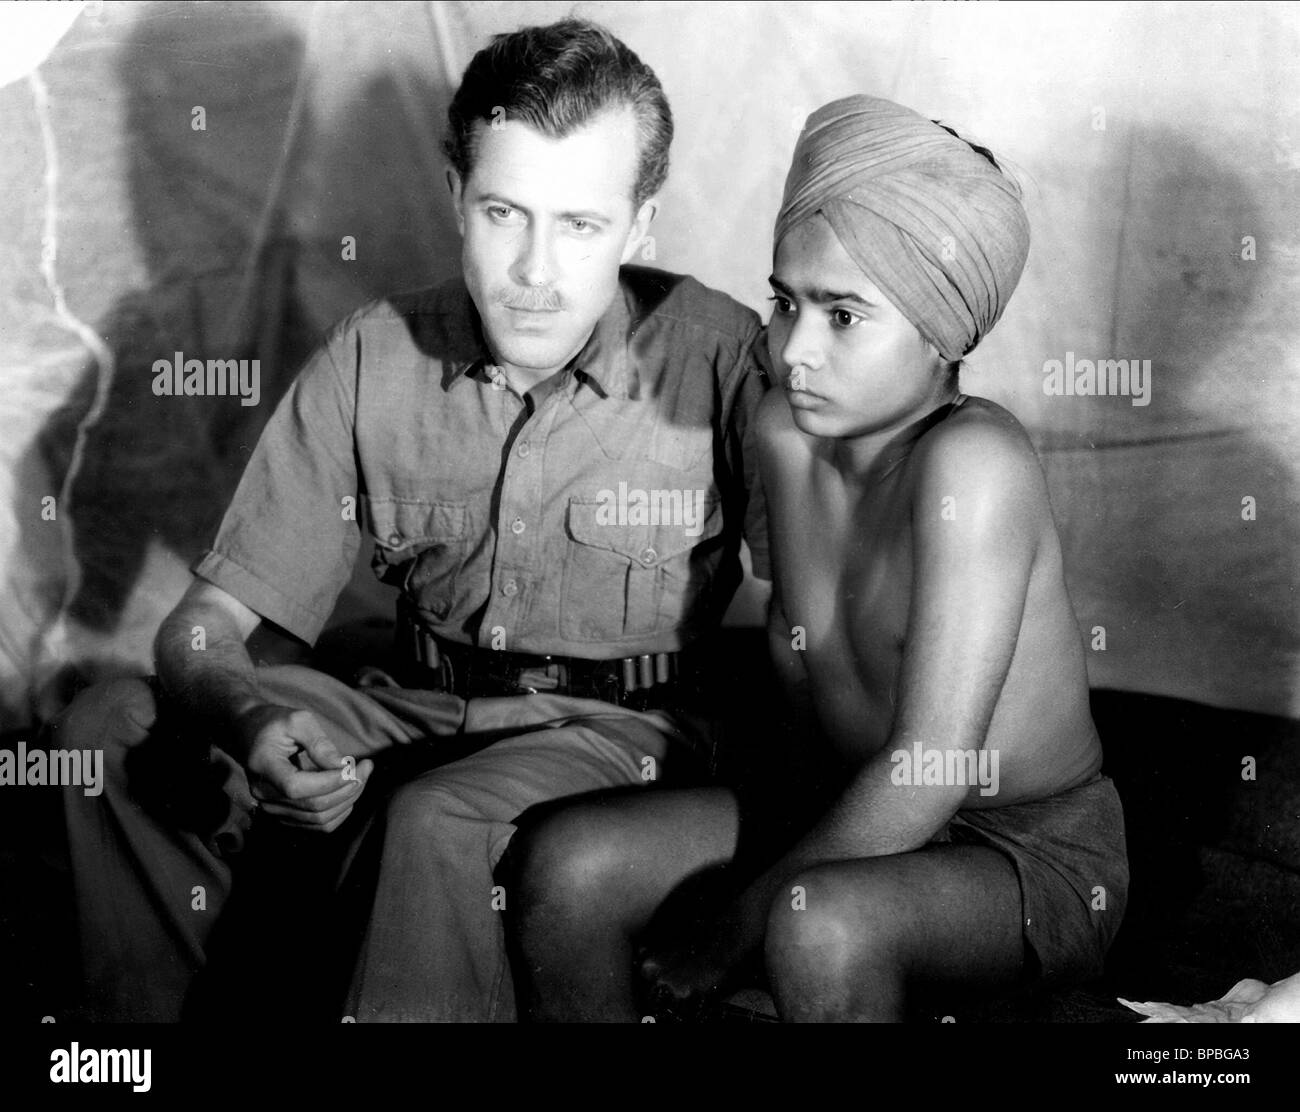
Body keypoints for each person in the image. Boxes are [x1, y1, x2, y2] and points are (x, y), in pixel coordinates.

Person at [55, 18, 769, 1022]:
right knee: (112, 728)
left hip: (620, 730)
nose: (534, 270)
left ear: (641, 226)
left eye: (580, 225)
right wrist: (250, 710)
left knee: (439, 814)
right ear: (454, 200)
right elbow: (204, 626)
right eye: (503, 213)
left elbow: (830, 611)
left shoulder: (721, 357)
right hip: (413, 704)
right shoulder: (370, 357)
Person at [507, 94, 1129, 1022]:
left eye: (844, 315)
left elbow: (931, 766)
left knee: (815, 923)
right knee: (571, 864)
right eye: (785, 301)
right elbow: (806, 696)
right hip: (843, 803)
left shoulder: (975, 466)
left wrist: (741, 918)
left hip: (1017, 849)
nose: (793, 349)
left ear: (941, 335)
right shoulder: (783, 434)